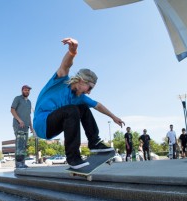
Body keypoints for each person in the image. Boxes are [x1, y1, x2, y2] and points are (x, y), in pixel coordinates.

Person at [33, 37, 124, 169]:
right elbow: (66, 65)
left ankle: (94, 143)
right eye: (90, 88)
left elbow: (98, 105)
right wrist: (72, 52)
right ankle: (73, 157)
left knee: (82, 107)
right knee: (72, 110)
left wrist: (114, 117)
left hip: (55, 124)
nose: (89, 92)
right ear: (81, 80)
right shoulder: (61, 80)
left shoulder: (79, 97)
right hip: (42, 124)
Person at [11, 85, 34, 168]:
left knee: (24, 145)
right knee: (19, 144)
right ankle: (18, 163)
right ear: (22, 91)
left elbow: (29, 116)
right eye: (25, 90)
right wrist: (19, 120)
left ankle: (22, 162)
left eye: (28, 90)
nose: (27, 91)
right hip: (18, 125)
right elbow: (12, 110)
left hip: (26, 126)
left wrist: (31, 127)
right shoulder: (17, 98)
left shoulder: (29, 102)